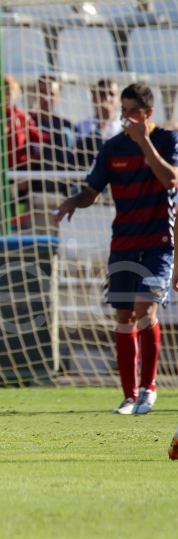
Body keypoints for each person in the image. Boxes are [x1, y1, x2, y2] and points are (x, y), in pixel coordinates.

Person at [54, 83, 178, 416]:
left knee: (145, 310)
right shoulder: (112, 147)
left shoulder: (167, 140)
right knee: (124, 316)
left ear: (148, 113)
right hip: (123, 242)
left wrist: (144, 142)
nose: (126, 117)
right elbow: (92, 191)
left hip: (158, 243)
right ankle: (129, 395)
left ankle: (149, 389)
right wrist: (72, 202)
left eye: (133, 111)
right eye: (124, 110)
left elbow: (171, 180)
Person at [0, 75, 44, 171]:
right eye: (4, 93)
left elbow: (33, 134)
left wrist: (49, 138)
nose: (7, 97)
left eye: (9, 93)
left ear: (16, 94)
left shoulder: (22, 116)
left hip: (20, 163)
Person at [30, 75, 77, 170]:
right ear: (35, 94)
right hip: (35, 173)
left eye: (51, 93)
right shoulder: (27, 121)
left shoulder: (67, 125)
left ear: (59, 96)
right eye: (42, 92)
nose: (46, 98)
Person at [76, 79, 124, 164]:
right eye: (102, 94)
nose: (107, 98)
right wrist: (103, 122)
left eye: (111, 94)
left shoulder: (125, 123)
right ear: (94, 98)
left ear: (120, 99)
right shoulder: (83, 125)